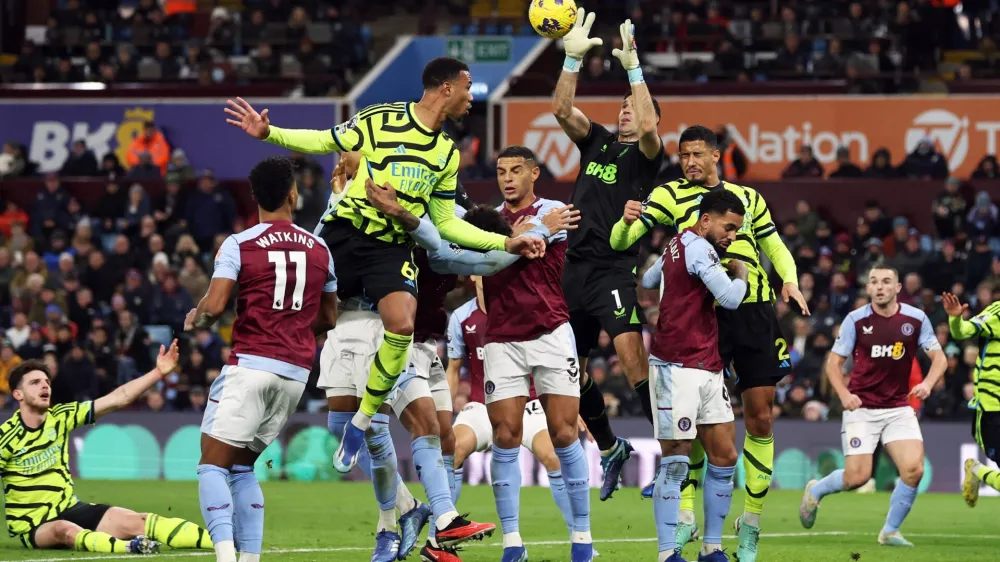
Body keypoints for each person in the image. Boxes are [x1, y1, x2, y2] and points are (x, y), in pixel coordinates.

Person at [223, 57, 544, 477]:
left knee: (402, 322)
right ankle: (251, 377)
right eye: (468, 86)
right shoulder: (381, 119)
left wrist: (507, 242)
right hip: (346, 232)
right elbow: (324, 140)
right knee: (301, 311)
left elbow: (446, 223)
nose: (471, 96)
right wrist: (269, 133)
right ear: (446, 88)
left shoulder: (447, 153)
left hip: (390, 247)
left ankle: (361, 421)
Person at [609, 125, 809, 562]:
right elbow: (622, 241)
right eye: (683, 156)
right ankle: (685, 518)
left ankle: (750, 522)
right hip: (706, 319)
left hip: (753, 313)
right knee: (699, 429)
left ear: (717, 156)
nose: (690, 163)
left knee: (759, 418)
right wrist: (626, 225)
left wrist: (789, 281)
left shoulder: (748, 198)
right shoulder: (667, 196)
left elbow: (775, 246)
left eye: (698, 154)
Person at [187, 156, 339, 562]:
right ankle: (250, 558)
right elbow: (328, 318)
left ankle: (224, 556)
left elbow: (216, 306)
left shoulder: (239, 244)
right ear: (293, 194)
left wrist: (196, 312)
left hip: (251, 366)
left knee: (212, 467)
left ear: (254, 197)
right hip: (295, 374)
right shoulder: (321, 248)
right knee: (241, 468)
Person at [552, 8, 665, 501]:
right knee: (569, 369)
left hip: (614, 269)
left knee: (630, 359)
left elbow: (647, 126)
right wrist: (571, 62)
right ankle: (611, 447)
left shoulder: (646, 154)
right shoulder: (596, 141)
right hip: (573, 268)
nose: (624, 111)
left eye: (632, 106)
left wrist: (634, 70)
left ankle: (673, 454)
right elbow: (561, 111)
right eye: (620, 105)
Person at [475, 146, 593, 562]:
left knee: (563, 433)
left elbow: (537, 236)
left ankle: (582, 539)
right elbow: (485, 255)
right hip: (502, 338)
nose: (507, 178)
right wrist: (524, 233)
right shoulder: (487, 220)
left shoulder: (555, 209)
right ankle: (512, 543)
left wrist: (536, 228)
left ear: (534, 174)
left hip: (550, 332)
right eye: (501, 170)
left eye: (516, 170)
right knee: (505, 437)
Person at [0, 344, 212, 554]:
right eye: (35, 383)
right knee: (64, 530)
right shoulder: (6, 436)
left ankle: (223, 542)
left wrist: (158, 372)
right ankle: (130, 547)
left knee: (139, 520)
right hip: (34, 525)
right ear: (18, 394)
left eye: (46, 381)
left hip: (70, 508)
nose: (44, 386)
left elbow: (119, 398)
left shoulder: (61, 417)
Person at [799, 266, 946, 547]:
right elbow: (833, 364)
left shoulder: (916, 319)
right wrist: (843, 394)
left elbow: (938, 358)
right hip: (861, 408)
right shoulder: (855, 320)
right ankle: (816, 490)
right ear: (868, 288)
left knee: (914, 469)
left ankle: (890, 531)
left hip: (897, 407)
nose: (880, 287)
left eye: (886, 281)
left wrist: (927, 383)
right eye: (874, 282)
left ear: (898, 287)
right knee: (858, 477)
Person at [644, 189, 748, 562]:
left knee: (724, 455)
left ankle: (712, 548)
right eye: (728, 227)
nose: (731, 236)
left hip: (707, 365)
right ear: (706, 220)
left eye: (735, 231)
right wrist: (742, 274)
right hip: (676, 365)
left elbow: (648, 278)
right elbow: (732, 298)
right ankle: (667, 552)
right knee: (676, 458)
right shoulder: (701, 249)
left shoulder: (677, 242)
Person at [941, 293, 1000, 506]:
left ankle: (977, 470)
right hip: (993, 410)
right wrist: (956, 318)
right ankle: (976, 469)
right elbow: (962, 331)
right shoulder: (997, 313)